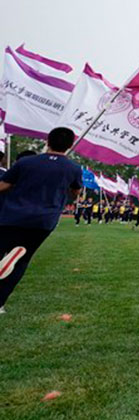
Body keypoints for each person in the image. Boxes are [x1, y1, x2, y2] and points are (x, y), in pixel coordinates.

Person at [0, 131, 82, 315]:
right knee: (21, 261)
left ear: (47, 141)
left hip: (12, 216)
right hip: (43, 221)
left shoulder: (25, 163)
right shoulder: (73, 169)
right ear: (70, 145)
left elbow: (4, 185)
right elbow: (75, 192)